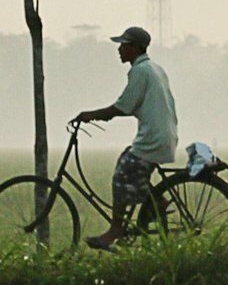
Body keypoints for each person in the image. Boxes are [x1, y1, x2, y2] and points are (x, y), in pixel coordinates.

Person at [72, 25, 179, 250]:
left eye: (123, 45)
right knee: (127, 162)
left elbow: (123, 107)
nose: (119, 50)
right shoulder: (154, 68)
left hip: (153, 139)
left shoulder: (140, 71)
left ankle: (116, 229)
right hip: (161, 136)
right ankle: (156, 201)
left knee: (121, 175)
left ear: (135, 48)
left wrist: (90, 115)